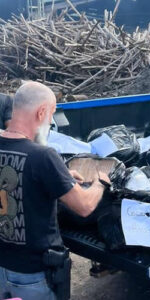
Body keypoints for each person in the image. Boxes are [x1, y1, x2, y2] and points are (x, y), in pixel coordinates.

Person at [0, 81, 110, 300]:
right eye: (51, 114)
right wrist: (101, 183)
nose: (51, 121)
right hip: (33, 277)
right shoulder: (43, 156)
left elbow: (17, 175)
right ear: (41, 112)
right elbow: (85, 207)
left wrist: (61, 176)